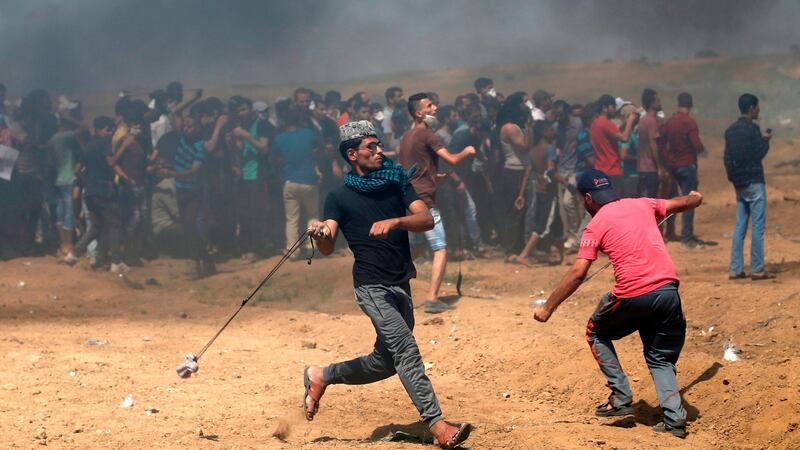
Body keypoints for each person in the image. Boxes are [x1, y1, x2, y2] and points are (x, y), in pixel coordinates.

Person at [303, 120, 471, 448]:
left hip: (401, 282)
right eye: (372, 147)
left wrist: (395, 221)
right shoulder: (338, 196)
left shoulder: (396, 182)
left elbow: (425, 219)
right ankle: (438, 426)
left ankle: (320, 375)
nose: (381, 151)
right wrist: (319, 231)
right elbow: (327, 244)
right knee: (406, 348)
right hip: (371, 286)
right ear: (352, 154)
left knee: (385, 362)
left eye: (379, 145)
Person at [533, 168, 704, 439]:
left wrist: (548, 307)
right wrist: (696, 197)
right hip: (669, 292)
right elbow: (682, 202)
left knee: (596, 331)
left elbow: (578, 273)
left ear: (587, 198)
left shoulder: (595, 224)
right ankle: (674, 420)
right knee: (660, 358)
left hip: (633, 294)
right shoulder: (642, 204)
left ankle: (621, 397)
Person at [398, 93, 476, 314]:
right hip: (424, 201)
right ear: (418, 112)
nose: (435, 108)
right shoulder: (428, 134)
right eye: (429, 105)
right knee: (440, 248)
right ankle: (432, 299)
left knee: (416, 248)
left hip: (408, 196)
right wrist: (467, 151)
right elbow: (451, 159)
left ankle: (389, 285)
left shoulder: (406, 136)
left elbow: (413, 168)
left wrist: (434, 177)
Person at [63, 116, 127, 272]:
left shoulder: (88, 147)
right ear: (98, 130)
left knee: (96, 227)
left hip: (90, 192)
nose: (110, 132)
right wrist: (123, 147)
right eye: (107, 129)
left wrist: (88, 181)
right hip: (103, 190)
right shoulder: (104, 144)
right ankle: (116, 262)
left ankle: (73, 255)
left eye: (111, 129)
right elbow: (111, 163)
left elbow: (77, 170)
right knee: (114, 224)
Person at [724, 93, 774, 280]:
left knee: (740, 226)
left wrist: (733, 177)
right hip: (754, 181)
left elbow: (727, 158)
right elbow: (758, 153)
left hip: (740, 184)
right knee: (758, 227)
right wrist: (766, 140)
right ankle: (757, 269)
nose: (758, 110)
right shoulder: (753, 129)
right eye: (757, 107)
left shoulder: (730, 131)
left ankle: (736, 269)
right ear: (751, 108)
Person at [273, 108, 322, 258]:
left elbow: (274, 158)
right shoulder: (308, 133)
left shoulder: (279, 138)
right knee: (312, 215)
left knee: (291, 219)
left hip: (290, 181)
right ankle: (311, 247)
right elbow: (320, 146)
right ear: (300, 121)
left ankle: (292, 251)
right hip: (309, 180)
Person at [660, 93, 706, 248]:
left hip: (673, 167)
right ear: (691, 105)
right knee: (689, 202)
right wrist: (701, 150)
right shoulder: (689, 122)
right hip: (688, 166)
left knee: (673, 201)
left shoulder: (671, 121)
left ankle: (669, 231)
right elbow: (696, 144)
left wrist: (668, 159)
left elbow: (661, 143)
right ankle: (687, 238)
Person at [589, 94, 636, 195]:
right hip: (612, 171)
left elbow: (611, 136)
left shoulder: (594, 124)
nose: (615, 110)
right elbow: (624, 138)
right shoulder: (605, 123)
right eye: (613, 107)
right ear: (605, 108)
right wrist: (630, 121)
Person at [637, 89, 663, 198]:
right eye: (657, 100)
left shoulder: (643, 120)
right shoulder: (651, 121)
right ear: (652, 103)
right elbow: (653, 145)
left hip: (641, 168)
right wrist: (660, 168)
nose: (660, 102)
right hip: (650, 168)